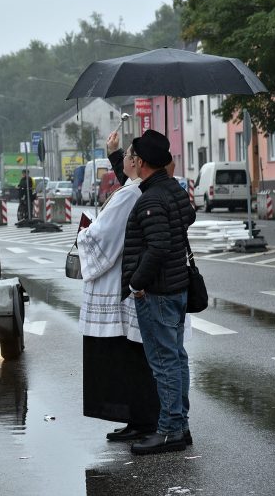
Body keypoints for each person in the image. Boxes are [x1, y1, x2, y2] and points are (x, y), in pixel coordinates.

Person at [77, 133, 160, 443]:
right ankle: (136, 419)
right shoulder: (135, 188)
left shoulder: (130, 194)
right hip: (127, 281)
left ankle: (142, 421)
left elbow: (104, 235)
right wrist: (113, 151)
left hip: (119, 284)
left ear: (137, 162)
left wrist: (83, 235)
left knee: (132, 359)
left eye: (126, 154)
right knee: (131, 359)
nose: (122, 158)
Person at [120, 129, 196, 455]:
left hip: (159, 291)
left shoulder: (150, 198)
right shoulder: (174, 191)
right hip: (177, 287)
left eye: (135, 157)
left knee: (164, 362)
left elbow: (158, 247)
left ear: (143, 162)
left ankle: (168, 430)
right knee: (177, 358)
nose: (132, 162)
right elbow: (187, 217)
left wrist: (136, 282)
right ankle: (180, 425)